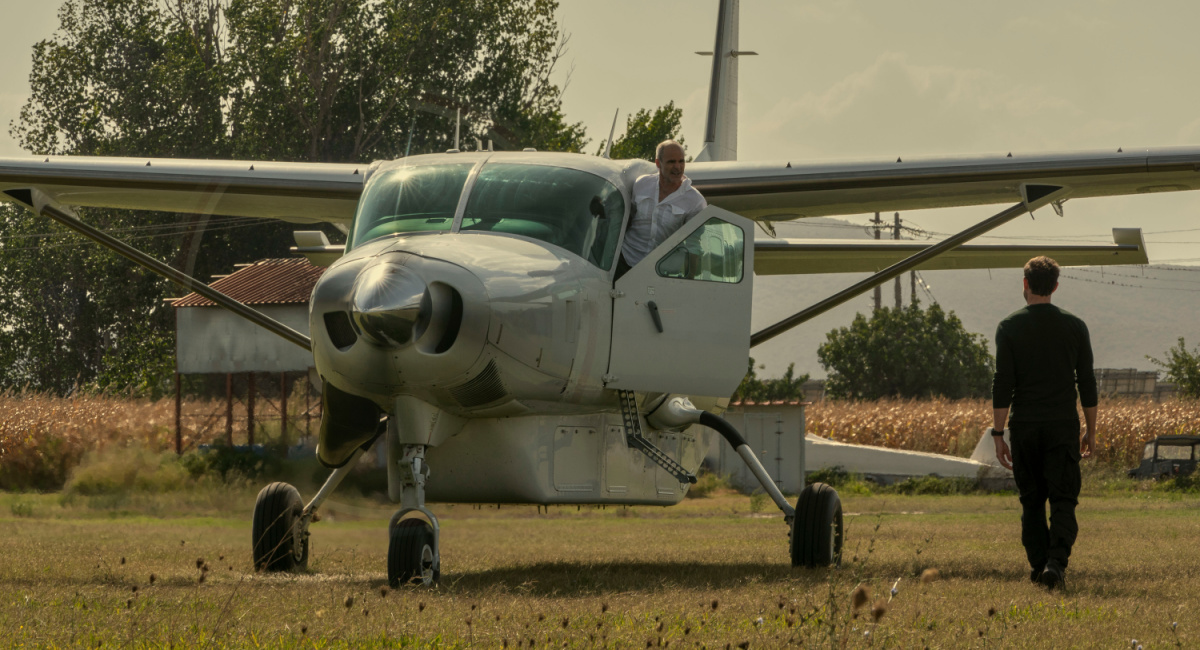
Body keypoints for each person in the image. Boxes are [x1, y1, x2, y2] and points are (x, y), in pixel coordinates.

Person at [990, 256, 1097, 591]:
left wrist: (998, 433)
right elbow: (1088, 383)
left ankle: (1039, 567)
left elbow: (1002, 383)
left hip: (1024, 427)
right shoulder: (1075, 326)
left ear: (1025, 284)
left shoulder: (1008, 327)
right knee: (1063, 499)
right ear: (1055, 286)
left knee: (1031, 501)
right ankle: (1056, 563)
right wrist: (1090, 431)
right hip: (1063, 425)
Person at [615, 140, 707, 278]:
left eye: (681, 161)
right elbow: (628, 218)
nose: (677, 167)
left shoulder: (695, 201)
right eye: (671, 162)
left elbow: (693, 245)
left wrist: (689, 280)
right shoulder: (642, 184)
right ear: (658, 163)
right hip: (625, 262)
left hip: (661, 271)